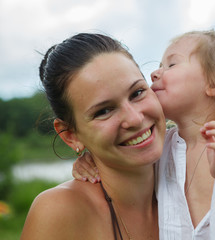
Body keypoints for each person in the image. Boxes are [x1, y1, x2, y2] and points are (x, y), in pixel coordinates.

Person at [73, 30, 215, 239]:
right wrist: (93, 159)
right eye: (159, 65)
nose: (155, 73)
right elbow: (130, 170)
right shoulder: (164, 146)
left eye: (171, 66)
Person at [20, 33, 167, 239]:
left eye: (137, 93)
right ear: (71, 136)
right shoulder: (59, 212)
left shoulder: (200, 171)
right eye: (104, 111)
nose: (134, 119)